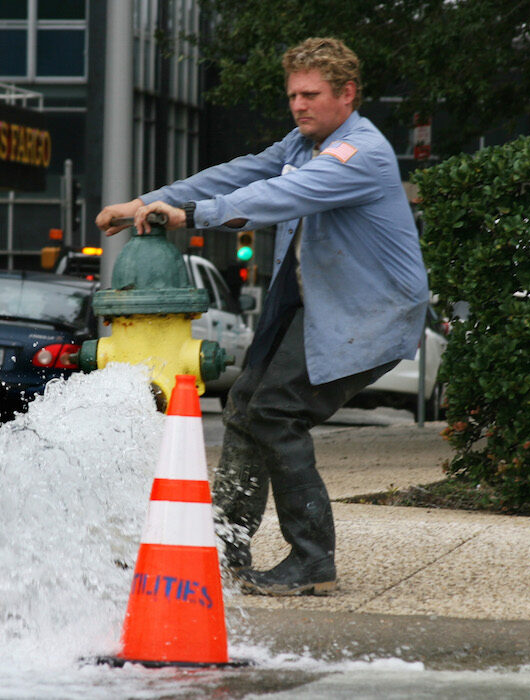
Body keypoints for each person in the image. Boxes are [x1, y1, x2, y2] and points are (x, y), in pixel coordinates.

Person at [96, 37, 429, 596]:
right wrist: (144, 202)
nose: (299, 105)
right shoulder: (302, 143)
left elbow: (279, 196)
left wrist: (192, 215)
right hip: (307, 300)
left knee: (275, 411)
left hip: (368, 312)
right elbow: (239, 173)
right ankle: (223, 547)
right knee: (246, 403)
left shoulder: (360, 153)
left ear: (347, 94)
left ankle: (312, 559)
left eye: (311, 94)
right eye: (293, 94)